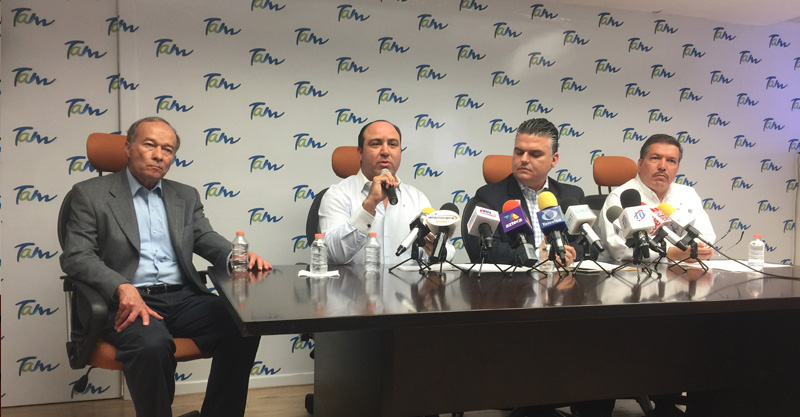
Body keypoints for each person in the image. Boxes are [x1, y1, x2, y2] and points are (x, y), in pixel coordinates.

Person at [60, 116, 272, 417]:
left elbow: (203, 236)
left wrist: (236, 256)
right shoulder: (89, 194)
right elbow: (77, 256)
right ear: (128, 147)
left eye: (168, 149)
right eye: (150, 145)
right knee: (152, 345)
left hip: (183, 297)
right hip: (127, 300)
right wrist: (121, 287)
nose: (159, 155)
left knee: (242, 326)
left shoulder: (184, 195)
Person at [319, 119, 454, 266]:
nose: (385, 151)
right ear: (360, 153)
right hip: (355, 281)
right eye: (376, 144)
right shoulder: (337, 195)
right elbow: (335, 254)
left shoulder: (417, 198)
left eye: (393, 144)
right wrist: (369, 205)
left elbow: (445, 250)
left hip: (407, 281)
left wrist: (438, 251)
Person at [468, 117, 586, 266]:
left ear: (554, 160)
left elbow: (587, 245)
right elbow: (484, 250)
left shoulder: (572, 196)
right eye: (519, 152)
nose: (524, 159)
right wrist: (537, 256)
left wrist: (567, 255)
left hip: (564, 277)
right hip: (514, 280)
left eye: (535, 154)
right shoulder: (489, 197)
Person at [595, 134, 716, 263]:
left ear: (677, 169)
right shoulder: (620, 197)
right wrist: (671, 254)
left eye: (671, 161)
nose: (662, 166)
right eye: (655, 158)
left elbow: (705, 236)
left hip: (684, 269)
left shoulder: (688, 194)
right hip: (629, 271)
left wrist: (694, 250)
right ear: (639, 164)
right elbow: (619, 248)